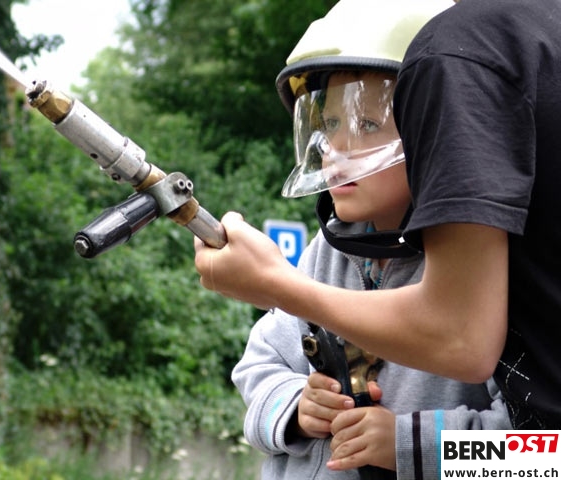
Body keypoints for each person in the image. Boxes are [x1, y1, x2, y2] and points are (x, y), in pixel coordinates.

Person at [195, 0, 561, 430]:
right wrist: (296, 409)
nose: (333, 149)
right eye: (329, 124)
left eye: (367, 126)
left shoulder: (474, 263)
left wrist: (404, 444)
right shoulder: (330, 250)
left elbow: (526, 447)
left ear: (438, 129)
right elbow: (261, 361)